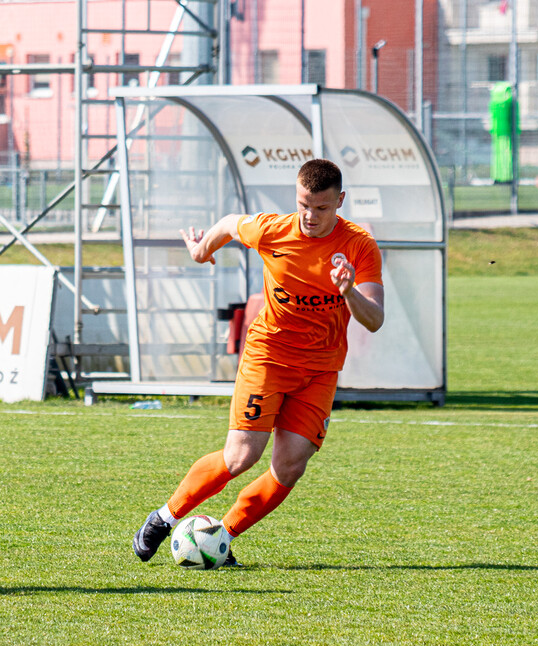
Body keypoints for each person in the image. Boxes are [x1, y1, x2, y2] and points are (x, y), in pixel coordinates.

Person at [132, 158, 384, 566]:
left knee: (290, 466)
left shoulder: (358, 246)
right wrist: (201, 250)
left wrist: (349, 290)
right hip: (268, 356)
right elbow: (232, 223)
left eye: (321, 208)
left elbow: (374, 319)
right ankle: (163, 518)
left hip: (320, 369)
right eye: (304, 204)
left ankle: (221, 538)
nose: (310, 216)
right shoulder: (272, 229)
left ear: (339, 201)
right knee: (240, 456)